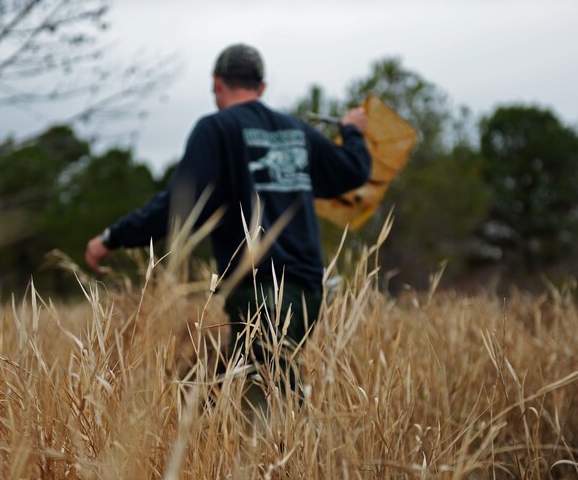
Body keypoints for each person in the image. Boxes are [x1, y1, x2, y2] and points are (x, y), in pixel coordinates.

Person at [85, 43, 370, 397]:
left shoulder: (216, 129)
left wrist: (113, 237)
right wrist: (353, 131)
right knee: (226, 392)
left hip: (259, 289)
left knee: (271, 399)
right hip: (309, 290)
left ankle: (290, 449)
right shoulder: (296, 131)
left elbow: (179, 206)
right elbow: (353, 172)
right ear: (261, 87)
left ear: (217, 83)